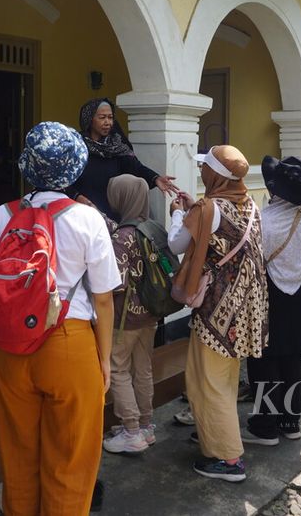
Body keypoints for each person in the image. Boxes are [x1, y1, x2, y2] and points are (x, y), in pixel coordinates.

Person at [0, 121, 119, 515]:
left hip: (12, 349)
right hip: (70, 344)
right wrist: (104, 360)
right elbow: (104, 301)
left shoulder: (1, 215)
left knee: (18, 455)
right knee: (71, 458)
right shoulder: (88, 219)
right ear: (74, 170)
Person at [168, 145, 268, 483]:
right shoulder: (251, 204)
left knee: (206, 382)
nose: (201, 174)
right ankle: (212, 434)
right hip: (246, 310)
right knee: (223, 380)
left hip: (216, 311)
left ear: (214, 175)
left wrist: (176, 213)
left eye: (204, 169)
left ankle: (228, 460)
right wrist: (192, 210)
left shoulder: (208, 208)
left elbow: (176, 244)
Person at [243, 155, 301, 445]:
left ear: (275, 189)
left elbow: (252, 259)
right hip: (299, 293)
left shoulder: (264, 220)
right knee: (293, 358)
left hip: (270, 293)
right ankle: (291, 422)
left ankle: (265, 426)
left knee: (265, 359)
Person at [100, 174, 160, 455]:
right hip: (152, 314)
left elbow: (117, 284)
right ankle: (146, 426)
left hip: (125, 319)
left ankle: (132, 430)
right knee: (143, 368)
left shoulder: (121, 237)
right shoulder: (153, 228)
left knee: (118, 368)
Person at [70, 97, 180, 220]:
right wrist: (76, 196)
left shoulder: (116, 144)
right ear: (89, 120)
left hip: (110, 208)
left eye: (110, 117)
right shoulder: (76, 146)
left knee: (138, 184)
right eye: (102, 117)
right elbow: (65, 179)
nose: (108, 122)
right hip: (82, 207)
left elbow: (136, 167)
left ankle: (129, 231)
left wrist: (155, 178)